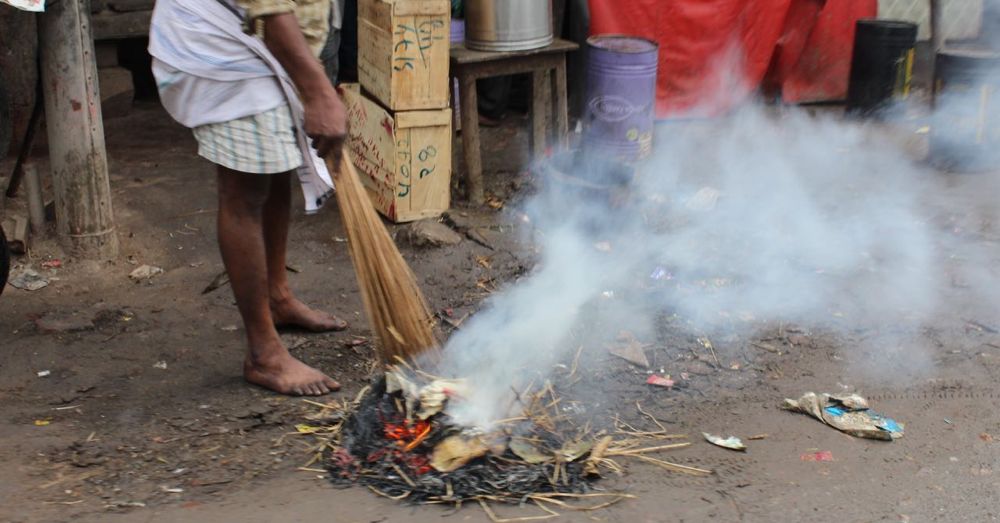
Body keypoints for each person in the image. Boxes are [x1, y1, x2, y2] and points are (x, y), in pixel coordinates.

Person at [149, 0, 347, 396]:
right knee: (245, 191)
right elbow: (270, 6)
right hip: (223, 39)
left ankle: (277, 296)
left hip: (265, 38)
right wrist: (317, 90)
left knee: (273, 167)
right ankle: (263, 353)